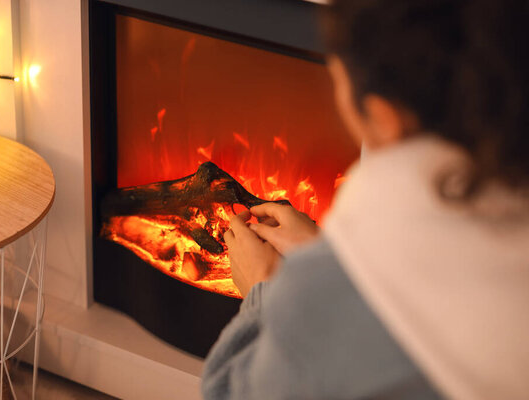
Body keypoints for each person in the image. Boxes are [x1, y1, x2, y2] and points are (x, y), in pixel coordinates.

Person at [201, 1, 529, 399]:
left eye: (338, 79)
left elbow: (225, 392)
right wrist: (327, 251)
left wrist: (265, 292)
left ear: (384, 117)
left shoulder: (317, 305)